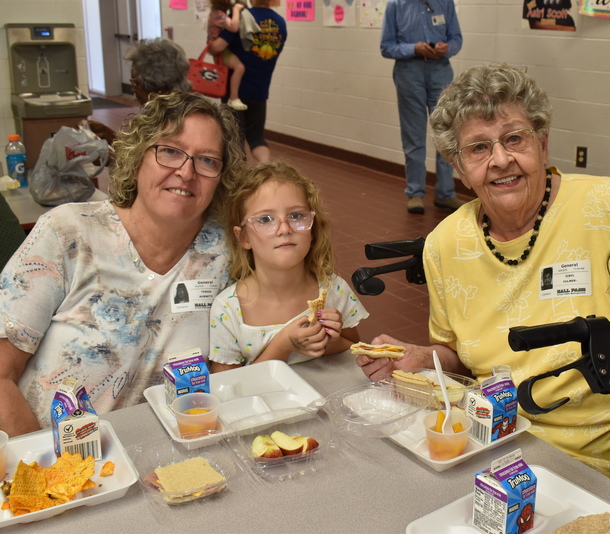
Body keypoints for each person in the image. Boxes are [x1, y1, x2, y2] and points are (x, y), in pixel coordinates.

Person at [356, 63, 610, 478]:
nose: (501, 160)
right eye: (479, 148)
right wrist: (422, 358)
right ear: (458, 166)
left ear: (542, 142)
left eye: (514, 138)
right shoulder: (445, 246)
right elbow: (460, 361)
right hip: (495, 441)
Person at [0, 92, 245, 437]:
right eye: (171, 151)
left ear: (222, 176)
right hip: (53, 462)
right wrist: (45, 471)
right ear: (138, 156)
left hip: (170, 457)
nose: (186, 172)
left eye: (207, 160)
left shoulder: (228, 251)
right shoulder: (69, 233)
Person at [209, 162, 368, 370]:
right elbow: (225, 385)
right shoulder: (228, 309)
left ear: (313, 228)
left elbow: (354, 353)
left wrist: (327, 337)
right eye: (265, 219)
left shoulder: (334, 291)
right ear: (244, 237)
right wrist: (283, 346)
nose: (284, 228)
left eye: (296, 216)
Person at [380, 0, 465, 215]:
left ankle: (445, 193)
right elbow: (386, 46)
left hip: (441, 70)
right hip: (409, 71)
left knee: (446, 132)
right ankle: (416, 193)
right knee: (413, 134)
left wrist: (448, 48)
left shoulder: (445, 3)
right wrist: (413, 48)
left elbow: (456, 38)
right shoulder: (395, 5)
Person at [210, 0, 287, 164]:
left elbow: (217, 47)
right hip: (260, 90)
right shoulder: (280, 23)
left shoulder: (243, 17)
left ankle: (237, 183)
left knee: (234, 141)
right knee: (257, 138)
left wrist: (210, 46)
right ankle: (265, 170)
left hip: (234, 93)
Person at [88, 39, 192, 145]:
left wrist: (110, 158)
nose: (133, 89)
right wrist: (111, 137)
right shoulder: (171, 111)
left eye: (135, 83)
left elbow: (148, 158)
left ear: (158, 84)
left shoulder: (176, 123)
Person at [207, 0, 248, 111]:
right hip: (220, 52)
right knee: (239, 67)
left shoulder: (219, 13)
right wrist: (236, 9)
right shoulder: (217, 14)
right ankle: (233, 98)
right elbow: (234, 27)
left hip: (223, 50)